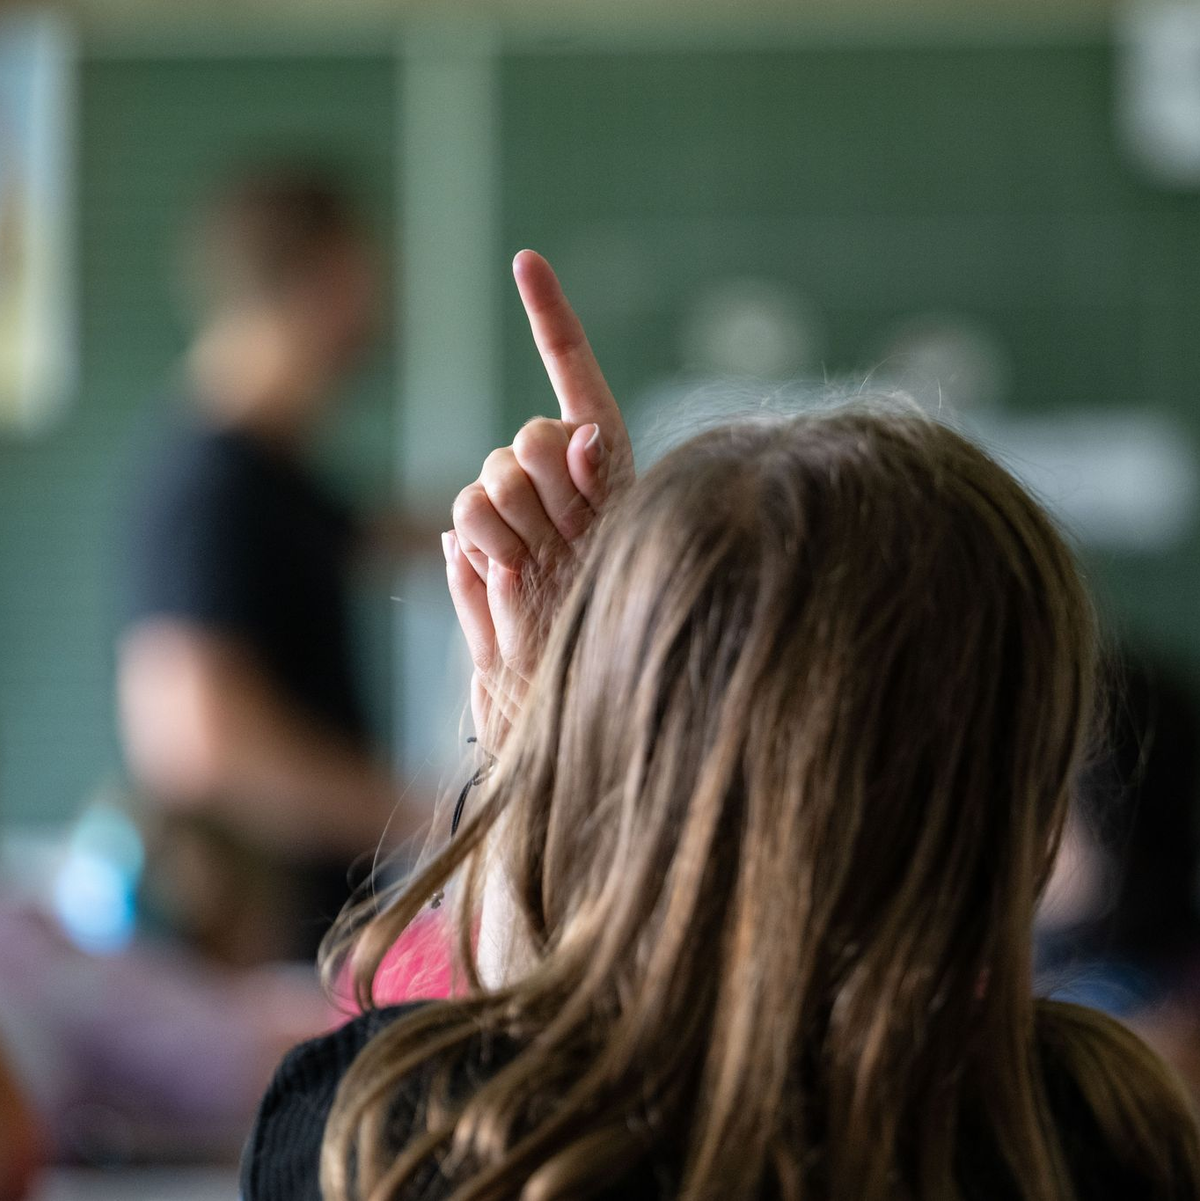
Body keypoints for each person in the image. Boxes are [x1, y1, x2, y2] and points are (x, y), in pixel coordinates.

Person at [242, 252, 1200, 1200]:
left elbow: (498, 1091)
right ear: (1031, 819)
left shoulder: (370, 1132)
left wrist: (546, 752)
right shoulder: (1095, 1129)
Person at [118, 168, 412, 966]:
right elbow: (200, 742)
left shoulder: (276, 476)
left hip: (316, 942)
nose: (375, 313)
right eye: (362, 278)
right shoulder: (211, 483)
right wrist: (429, 813)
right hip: (265, 971)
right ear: (317, 281)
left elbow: (391, 530)